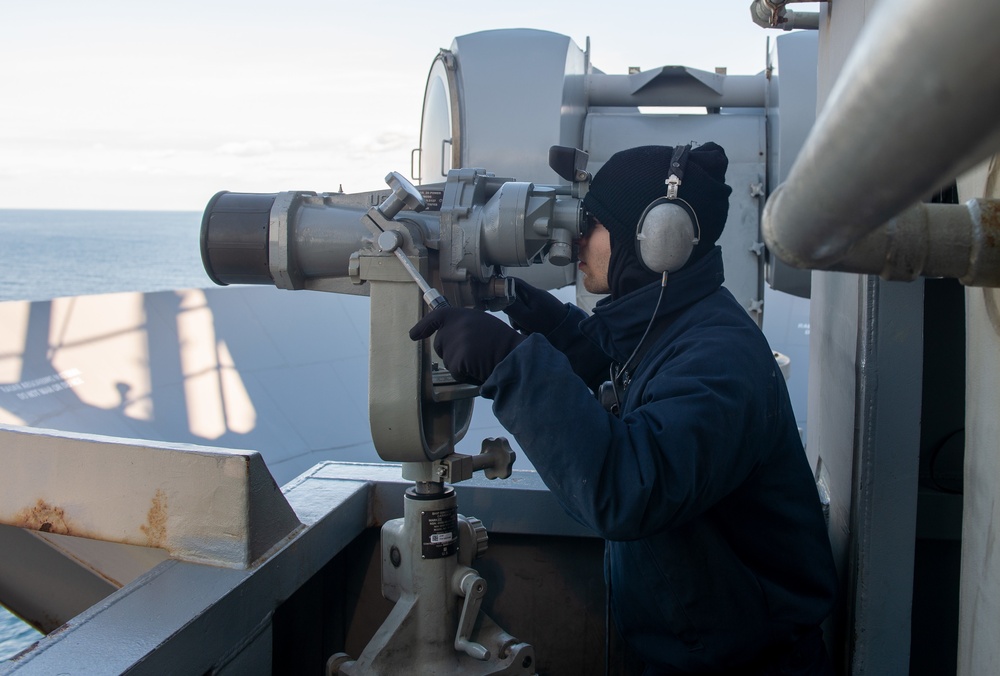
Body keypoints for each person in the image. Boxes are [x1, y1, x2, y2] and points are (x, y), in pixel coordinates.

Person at [409, 144, 838, 675]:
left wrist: (509, 361)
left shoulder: (721, 365)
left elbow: (627, 488)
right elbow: (616, 359)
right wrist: (524, 308)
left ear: (659, 241)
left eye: (593, 224)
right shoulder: (679, 324)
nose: (577, 238)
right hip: (698, 653)